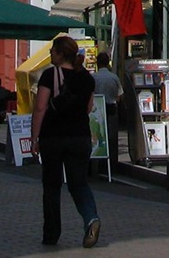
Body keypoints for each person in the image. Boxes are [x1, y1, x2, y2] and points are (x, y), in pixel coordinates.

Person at [34, 35, 100, 249]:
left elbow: (40, 107)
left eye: (53, 51)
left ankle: (51, 234)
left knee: (52, 186)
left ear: (61, 54)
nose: (50, 54)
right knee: (79, 183)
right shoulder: (87, 78)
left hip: (53, 137)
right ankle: (91, 218)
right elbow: (89, 108)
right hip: (80, 136)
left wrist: (34, 136)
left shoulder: (50, 75)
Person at [91, 57, 122, 175]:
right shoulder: (114, 77)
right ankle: (112, 166)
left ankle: (96, 166)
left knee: (97, 135)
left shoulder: (94, 77)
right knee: (112, 137)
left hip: (97, 110)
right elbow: (119, 96)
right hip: (111, 108)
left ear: (98, 64)